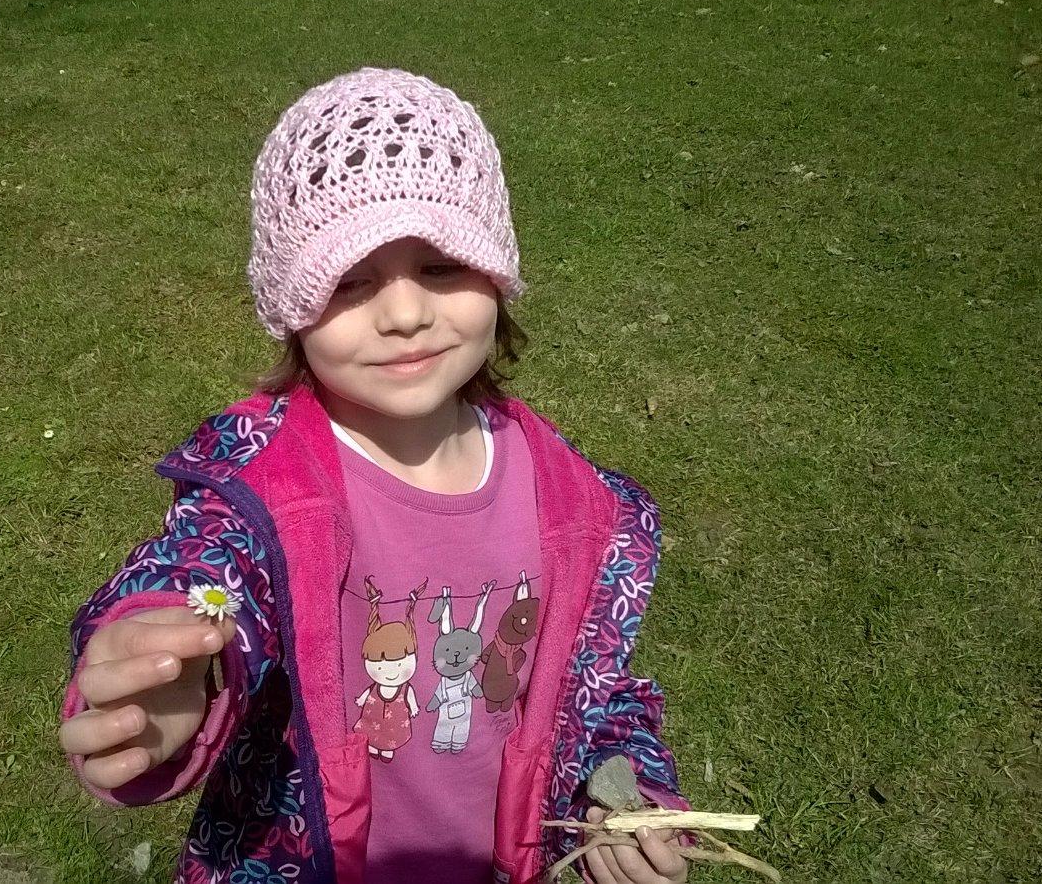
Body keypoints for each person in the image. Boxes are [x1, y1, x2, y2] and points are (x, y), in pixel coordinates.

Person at [58, 67, 691, 884]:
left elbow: (592, 687)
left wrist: (618, 792)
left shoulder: (571, 502)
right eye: (349, 281)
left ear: (496, 270)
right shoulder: (263, 487)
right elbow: (204, 572)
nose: (404, 314)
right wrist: (177, 671)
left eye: (441, 266)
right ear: (292, 304)